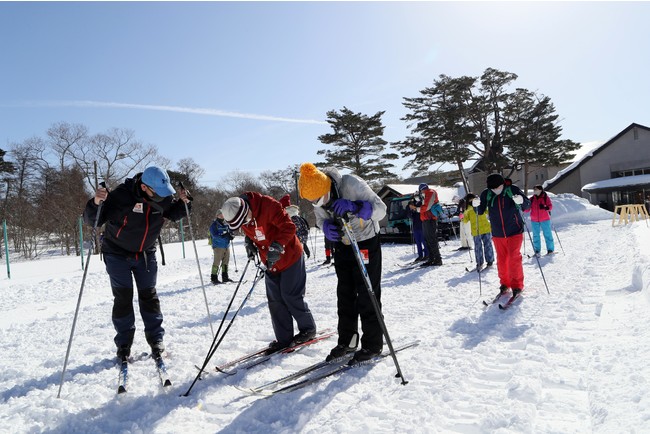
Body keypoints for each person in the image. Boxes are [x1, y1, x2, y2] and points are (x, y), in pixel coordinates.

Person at [83, 166, 190, 360]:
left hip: (146, 254)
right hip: (117, 254)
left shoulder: (163, 198)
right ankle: (124, 343)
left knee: (149, 296)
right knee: (123, 298)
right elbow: (94, 220)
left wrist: (185, 204)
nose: (162, 197)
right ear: (143, 187)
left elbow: (174, 213)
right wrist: (96, 202)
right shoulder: (120, 196)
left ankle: (156, 339)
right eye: (157, 193)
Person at [298, 162, 387, 363]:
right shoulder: (317, 197)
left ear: (327, 187)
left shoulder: (351, 183)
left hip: (365, 241)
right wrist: (326, 226)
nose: (318, 204)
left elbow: (381, 209)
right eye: (313, 202)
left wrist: (357, 207)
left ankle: (373, 344)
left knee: (367, 293)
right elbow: (320, 219)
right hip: (343, 244)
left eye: (319, 199)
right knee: (345, 294)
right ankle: (348, 341)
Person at [221, 192, 317, 354]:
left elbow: (289, 226)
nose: (245, 223)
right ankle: (284, 338)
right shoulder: (240, 214)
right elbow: (252, 230)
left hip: (290, 255)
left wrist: (278, 246)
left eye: (244, 220)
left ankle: (308, 329)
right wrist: (249, 242)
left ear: (247, 210)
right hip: (269, 261)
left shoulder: (268, 205)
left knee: (290, 295)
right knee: (275, 300)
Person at [473, 174, 531, 298]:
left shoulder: (512, 189)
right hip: (497, 232)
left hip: (515, 230)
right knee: (502, 259)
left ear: (503, 184)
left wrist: (522, 201)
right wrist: (475, 205)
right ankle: (505, 283)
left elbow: (527, 206)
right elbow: (480, 211)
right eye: (492, 188)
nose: (495, 190)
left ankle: (517, 285)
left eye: (497, 187)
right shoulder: (486, 193)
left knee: (513, 257)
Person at [462, 193, 495, 270]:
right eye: (470, 199)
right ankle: (479, 262)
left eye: (472, 199)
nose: (471, 201)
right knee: (478, 247)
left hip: (485, 228)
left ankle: (490, 261)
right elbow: (465, 220)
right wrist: (463, 216)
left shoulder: (480, 205)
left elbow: (488, 212)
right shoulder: (468, 209)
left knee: (488, 245)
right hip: (476, 231)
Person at [414, 183, 443, 267]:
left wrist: (417, 209)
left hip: (430, 219)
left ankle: (437, 259)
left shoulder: (430, 193)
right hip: (426, 219)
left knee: (431, 239)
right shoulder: (425, 194)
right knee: (427, 240)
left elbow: (427, 207)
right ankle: (431, 258)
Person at [525, 184, 555, 256]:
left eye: (536, 189)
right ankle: (537, 250)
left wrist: (545, 207)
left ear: (540, 190)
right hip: (534, 220)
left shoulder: (545, 198)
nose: (534, 191)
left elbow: (550, 207)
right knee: (535, 235)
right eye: (534, 189)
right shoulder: (531, 199)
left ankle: (550, 249)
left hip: (545, 219)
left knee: (547, 234)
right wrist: (524, 207)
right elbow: (527, 210)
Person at [279, 194, 311, 259]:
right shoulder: (294, 216)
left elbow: (294, 232)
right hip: (298, 242)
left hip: (297, 243)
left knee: (297, 258)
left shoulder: (293, 218)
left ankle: (305, 255)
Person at [209, 210, 235, 284]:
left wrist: (231, 235)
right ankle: (213, 278)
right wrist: (224, 235)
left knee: (225, 262)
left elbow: (230, 231)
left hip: (226, 246)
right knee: (216, 262)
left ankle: (225, 277)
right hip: (218, 246)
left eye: (223, 215)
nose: (222, 216)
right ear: (217, 216)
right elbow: (215, 235)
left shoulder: (226, 224)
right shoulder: (214, 225)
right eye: (220, 215)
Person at [407, 198, 428, 262]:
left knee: (423, 241)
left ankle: (427, 255)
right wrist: (410, 210)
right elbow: (409, 216)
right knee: (418, 242)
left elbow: (421, 211)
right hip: (415, 227)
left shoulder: (419, 205)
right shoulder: (412, 210)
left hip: (421, 226)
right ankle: (420, 255)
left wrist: (415, 208)